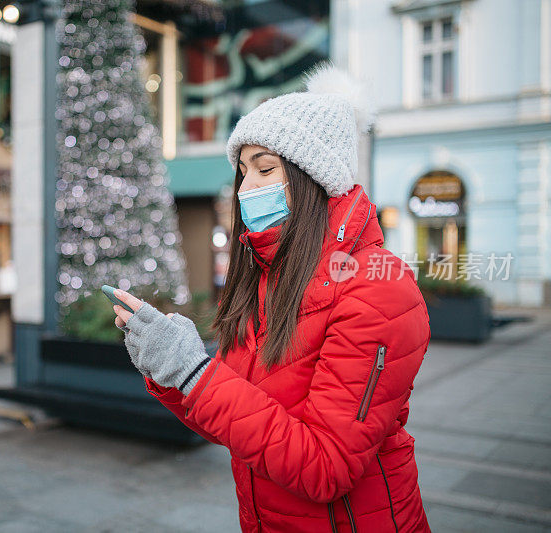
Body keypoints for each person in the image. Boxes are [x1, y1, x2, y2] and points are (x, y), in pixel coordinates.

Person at [112, 61, 432, 532]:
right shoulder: (265, 280)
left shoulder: (376, 289)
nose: (246, 188)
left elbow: (327, 469)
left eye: (265, 168)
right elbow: (236, 428)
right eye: (242, 171)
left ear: (314, 178)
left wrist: (196, 375)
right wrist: (173, 372)